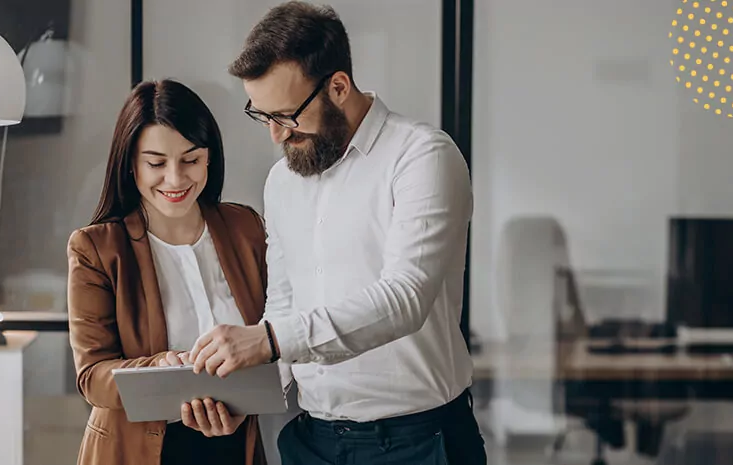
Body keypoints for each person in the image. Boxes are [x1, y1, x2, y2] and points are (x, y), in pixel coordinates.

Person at [186, 2, 487, 464]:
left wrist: (267, 339)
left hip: (419, 443)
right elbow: (285, 304)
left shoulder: (422, 157)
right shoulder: (282, 182)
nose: (276, 136)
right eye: (262, 115)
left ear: (339, 86)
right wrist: (243, 398)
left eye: (286, 116)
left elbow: (405, 298)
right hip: (311, 441)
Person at [66, 79, 267, 465]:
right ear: (130, 164)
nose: (175, 180)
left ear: (210, 157)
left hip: (236, 444)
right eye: (156, 163)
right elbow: (92, 376)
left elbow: (276, 334)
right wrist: (156, 368)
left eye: (190, 160)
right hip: (136, 449)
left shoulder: (246, 229)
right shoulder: (97, 248)